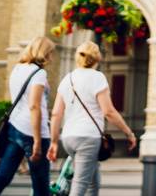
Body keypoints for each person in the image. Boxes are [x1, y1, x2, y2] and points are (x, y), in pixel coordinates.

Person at [47, 42, 137, 196]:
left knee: (93, 183)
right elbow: (109, 112)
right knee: (80, 184)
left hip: (68, 137)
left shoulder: (67, 79)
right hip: (87, 138)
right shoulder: (97, 78)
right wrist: (129, 133)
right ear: (98, 58)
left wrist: (54, 142)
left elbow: (56, 113)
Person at [0, 37, 55, 196]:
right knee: (40, 184)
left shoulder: (17, 68)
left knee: (3, 176)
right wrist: (37, 141)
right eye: (50, 53)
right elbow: (34, 106)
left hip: (15, 128)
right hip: (32, 132)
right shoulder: (39, 73)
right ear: (44, 53)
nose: (51, 57)